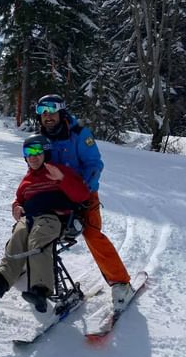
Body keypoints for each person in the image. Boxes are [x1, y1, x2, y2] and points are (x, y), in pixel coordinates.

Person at [35, 94, 133, 311]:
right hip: (55, 196)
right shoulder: (40, 138)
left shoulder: (79, 134)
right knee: (39, 227)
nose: (47, 116)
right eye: (42, 112)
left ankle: (121, 283)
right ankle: (31, 278)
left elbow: (94, 165)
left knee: (92, 233)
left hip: (84, 195)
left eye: (51, 110)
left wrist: (83, 193)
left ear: (61, 111)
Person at [0, 135, 90, 312]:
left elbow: (82, 195)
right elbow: (19, 200)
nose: (33, 156)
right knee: (18, 235)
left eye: (37, 151)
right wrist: (16, 207)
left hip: (53, 219)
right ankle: (3, 279)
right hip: (29, 218)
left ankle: (40, 289)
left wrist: (61, 178)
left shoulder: (59, 171)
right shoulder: (27, 180)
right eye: (28, 152)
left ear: (46, 152)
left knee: (38, 240)